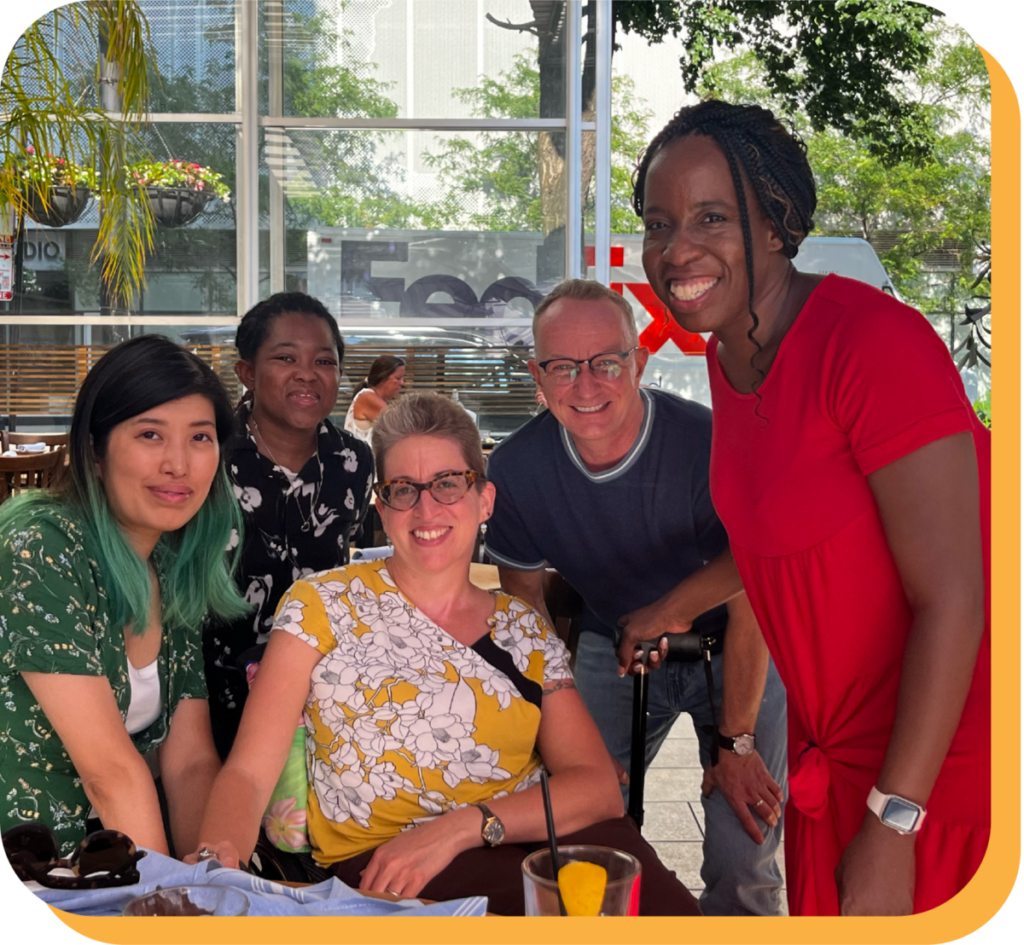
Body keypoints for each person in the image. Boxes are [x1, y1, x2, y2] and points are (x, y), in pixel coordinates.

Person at [632, 99, 990, 916]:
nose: (676, 248)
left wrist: (895, 822)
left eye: (712, 217)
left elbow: (955, 597)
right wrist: (671, 606)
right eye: (658, 223)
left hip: (939, 764)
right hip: (834, 750)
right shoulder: (731, 351)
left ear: (776, 223)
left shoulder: (873, 343)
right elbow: (788, 527)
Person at [189, 392, 699, 916]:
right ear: (382, 507)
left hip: (542, 840)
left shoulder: (521, 628)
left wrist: (462, 828)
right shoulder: (321, 605)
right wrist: (213, 865)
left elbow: (596, 786)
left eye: (448, 483)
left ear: (485, 500)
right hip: (392, 868)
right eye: (403, 489)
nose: (426, 508)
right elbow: (249, 773)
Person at [484, 279, 788, 916]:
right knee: (585, 831)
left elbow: (755, 587)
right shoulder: (515, 467)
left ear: (640, 362)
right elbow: (525, 606)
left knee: (745, 851)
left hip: (738, 642)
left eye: (606, 362)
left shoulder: (709, 441)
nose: (585, 385)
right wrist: (563, 727)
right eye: (563, 367)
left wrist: (735, 741)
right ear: (537, 376)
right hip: (609, 644)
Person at [0, 336, 248, 856]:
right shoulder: (40, 545)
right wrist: (170, 898)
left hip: (99, 860)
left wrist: (210, 876)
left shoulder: (171, 563)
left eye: (199, 437)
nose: (178, 463)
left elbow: (191, 763)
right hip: (26, 861)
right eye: (150, 434)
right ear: (94, 451)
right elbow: (109, 773)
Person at [203, 292, 374, 758]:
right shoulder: (209, 454)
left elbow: (348, 550)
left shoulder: (354, 460)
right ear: (247, 372)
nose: (307, 373)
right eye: (285, 358)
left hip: (323, 691)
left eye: (324, 361)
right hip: (217, 691)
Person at [343, 354, 406, 444]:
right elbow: (402, 430)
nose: (402, 383)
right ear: (383, 378)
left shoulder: (371, 396)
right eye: (398, 378)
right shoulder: (367, 396)